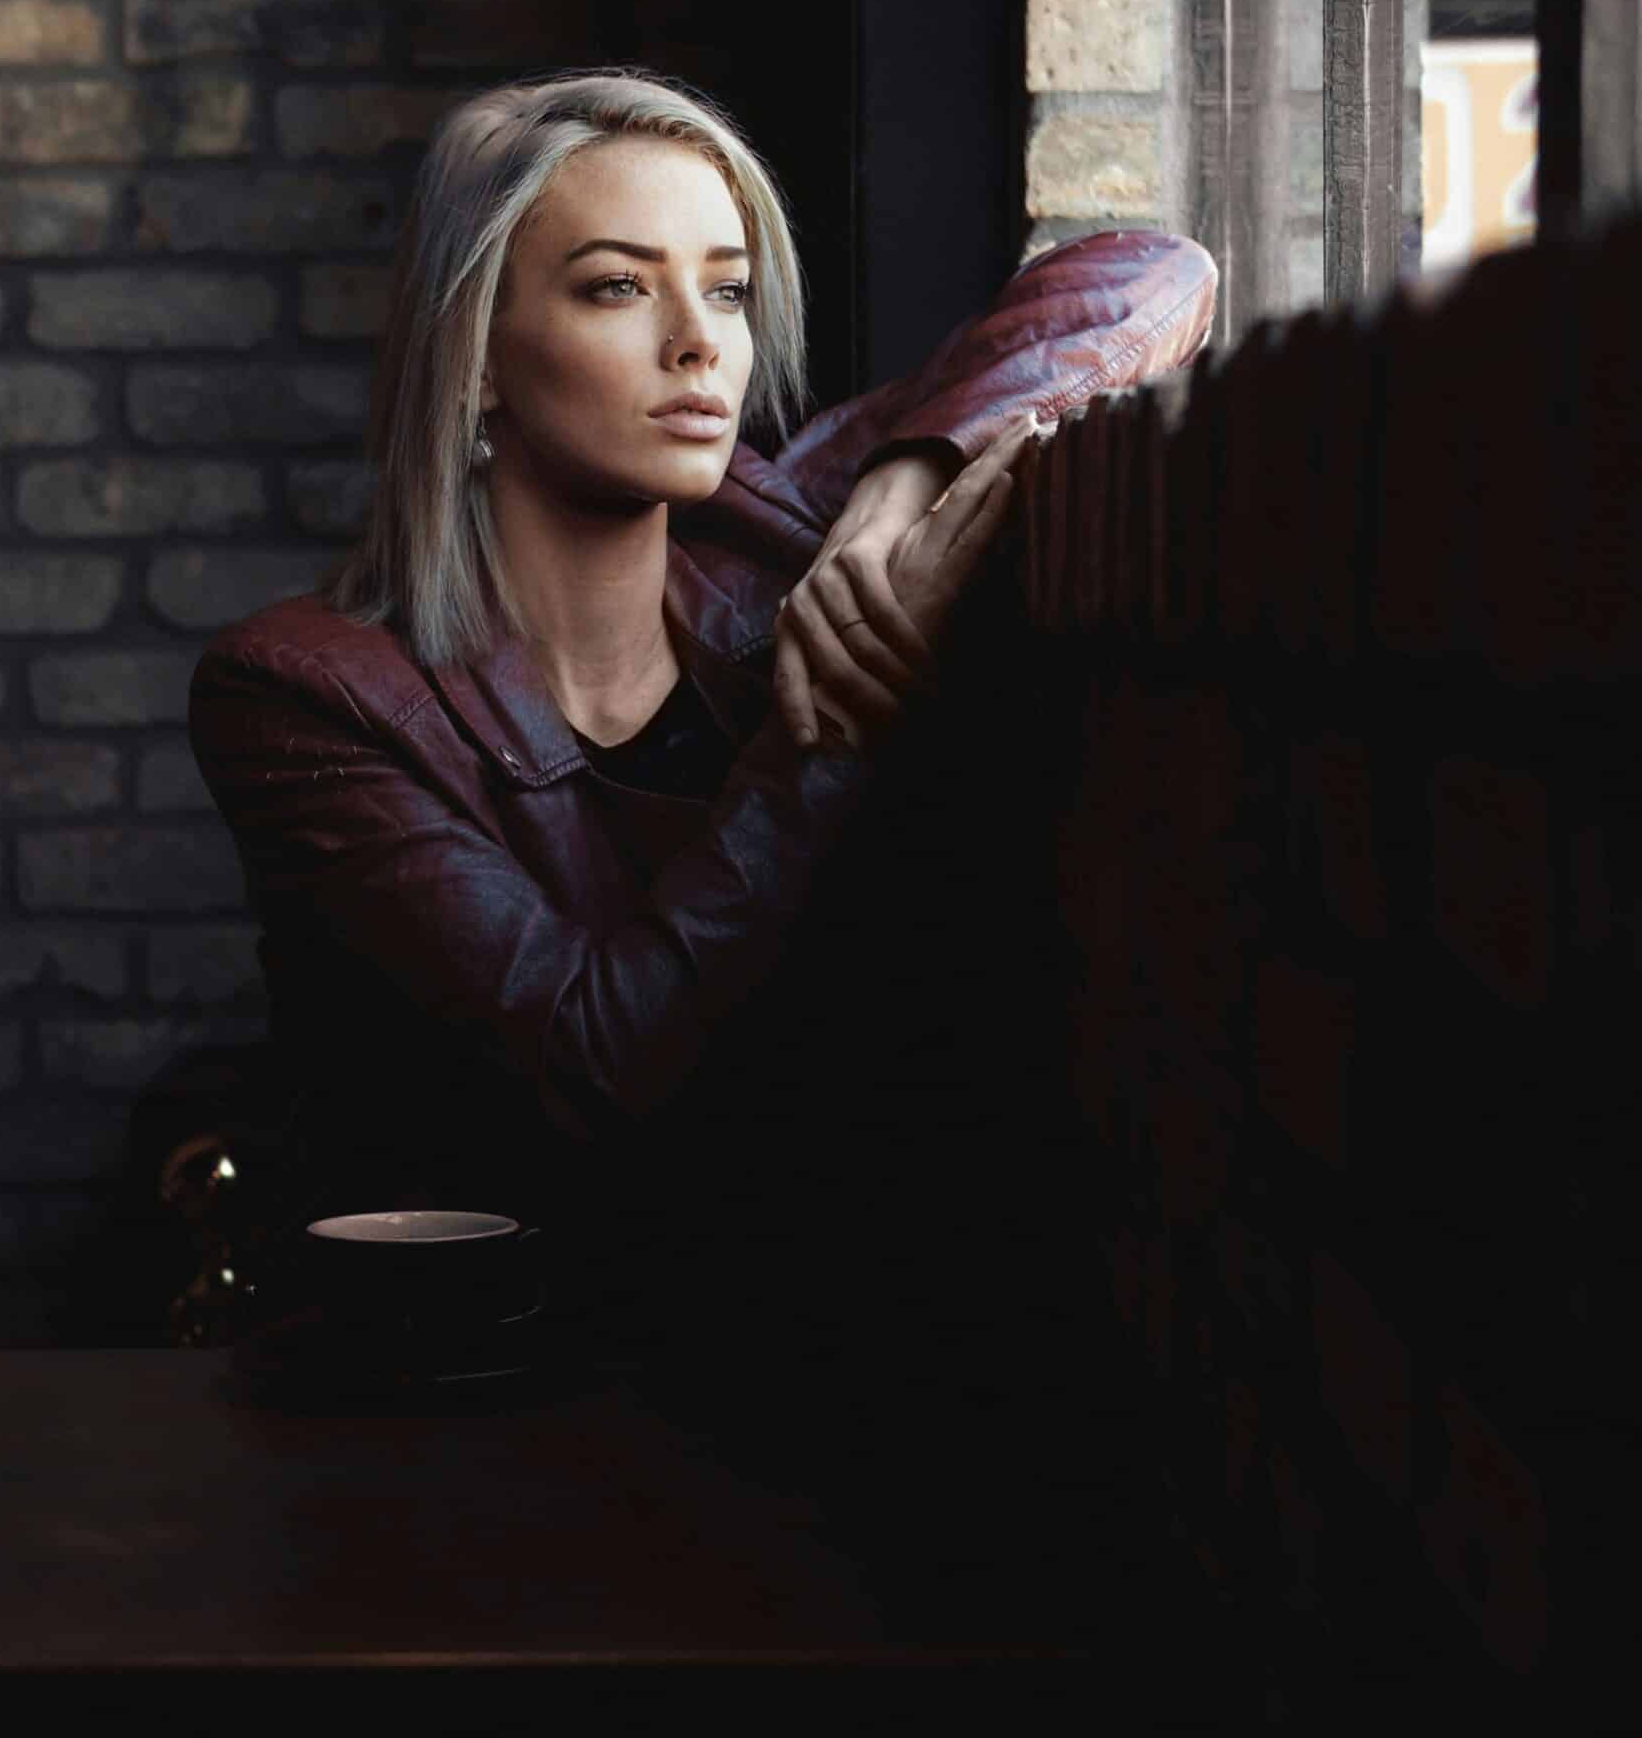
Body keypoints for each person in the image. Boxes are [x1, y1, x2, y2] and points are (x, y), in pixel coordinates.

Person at [187, 68, 1217, 1413]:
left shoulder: (786, 532)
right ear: (477, 353)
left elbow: (1159, 272)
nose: (701, 346)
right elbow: (597, 1063)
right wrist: (826, 732)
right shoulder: (304, 691)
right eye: (619, 287)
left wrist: (900, 487)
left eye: (726, 290)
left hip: (835, 1384)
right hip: (462, 1400)